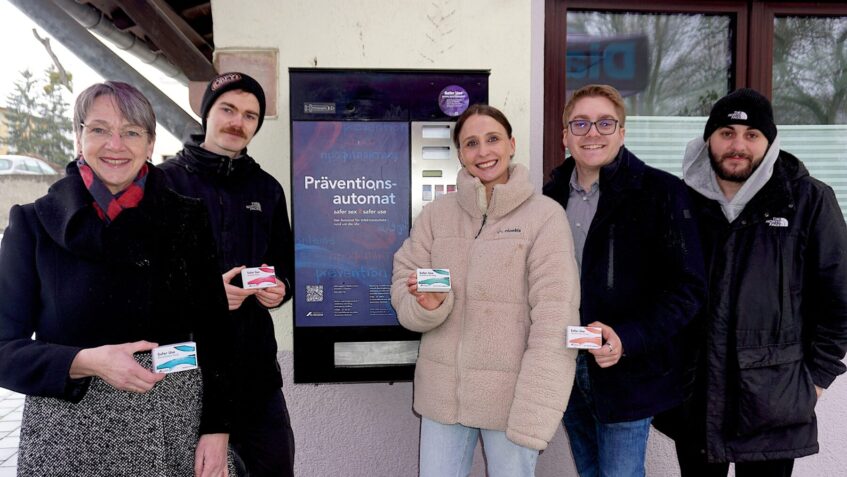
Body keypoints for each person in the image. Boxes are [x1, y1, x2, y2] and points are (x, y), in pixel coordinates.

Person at [0, 81, 234, 476]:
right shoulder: (33, 224)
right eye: (99, 129)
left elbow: (217, 334)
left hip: (171, 424)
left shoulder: (187, 219)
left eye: (131, 132)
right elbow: (4, 349)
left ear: (150, 143)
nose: (115, 145)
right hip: (68, 433)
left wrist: (217, 429)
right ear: (78, 138)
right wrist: (85, 361)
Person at [665, 88, 847, 477]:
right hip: (696, 399)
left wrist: (816, 379)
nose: (738, 145)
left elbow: (839, 299)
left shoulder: (809, 201)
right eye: (726, 133)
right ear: (708, 139)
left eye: (752, 135)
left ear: (770, 141)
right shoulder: (681, 203)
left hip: (774, 401)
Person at [391, 104, 580, 477]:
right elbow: (404, 281)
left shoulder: (544, 216)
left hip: (512, 402)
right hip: (443, 398)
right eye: (471, 143)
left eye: (493, 139)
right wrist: (429, 306)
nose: (483, 152)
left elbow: (555, 316)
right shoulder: (436, 214)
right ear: (460, 154)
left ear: (511, 144)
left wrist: (536, 409)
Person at [542, 84, 706, 477]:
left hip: (627, 371)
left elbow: (688, 289)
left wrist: (628, 338)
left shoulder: (661, 193)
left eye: (605, 123)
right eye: (580, 123)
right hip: (566, 364)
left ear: (622, 133)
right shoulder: (548, 199)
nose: (592, 133)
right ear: (565, 135)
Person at [160, 71, 295, 477]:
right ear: (207, 114)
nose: (238, 122)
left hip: (255, 371)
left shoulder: (267, 189)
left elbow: (284, 263)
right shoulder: (163, 182)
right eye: (228, 110)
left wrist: (281, 288)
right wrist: (205, 295)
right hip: (185, 371)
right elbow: (142, 279)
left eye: (250, 116)